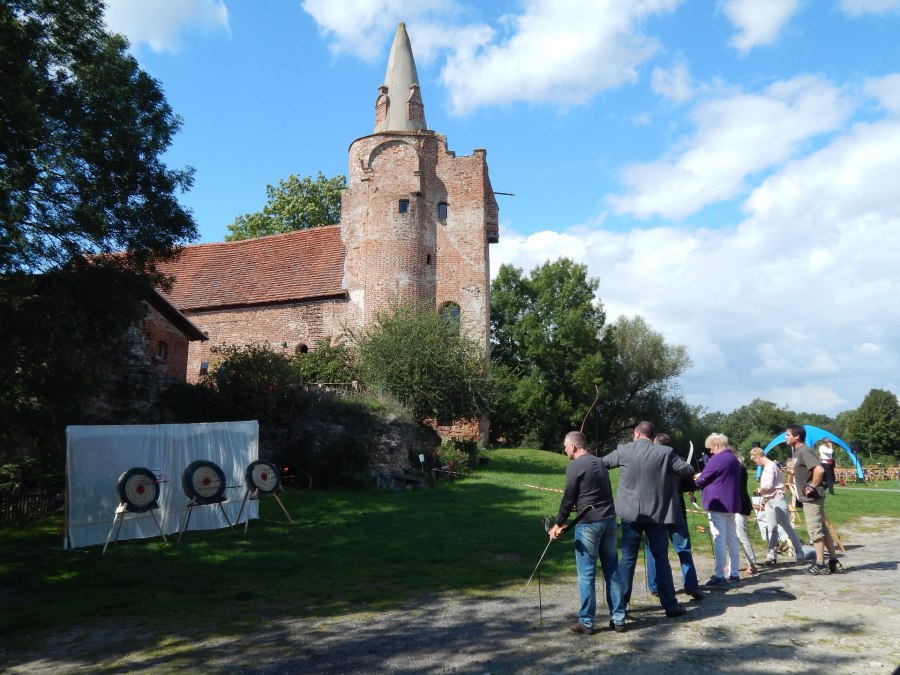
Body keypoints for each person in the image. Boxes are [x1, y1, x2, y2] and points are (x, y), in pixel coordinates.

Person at [602, 421, 694, 629]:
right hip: (658, 515)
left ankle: (620, 607)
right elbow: (687, 469)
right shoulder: (665, 453)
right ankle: (670, 605)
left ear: (636, 434)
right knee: (661, 558)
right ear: (653, 437)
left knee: (627, 559)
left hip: (631, 515)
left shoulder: (624, 451)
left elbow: (601, 464)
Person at [547, 431, 623, 635]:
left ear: (573, 446)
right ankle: (619, 619)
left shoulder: (575, 465)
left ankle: (587, 623)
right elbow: (598, 492)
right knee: (612, 570)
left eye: (565, 445)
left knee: (586, 575)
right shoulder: (599, 463)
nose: (564, 449)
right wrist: (579, 505)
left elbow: (568, 497)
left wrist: (558, 524)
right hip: (608, 520)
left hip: (590, 524)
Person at [644, 433, 704, 602]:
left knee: (653, 549)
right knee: (683, 548)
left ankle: (656, 586)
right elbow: (690, 484)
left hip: (656, 510)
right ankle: (691, 585)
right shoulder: (680, 461)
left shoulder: (650, 460)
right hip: (676, 508)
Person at [785, 424, 842, 574]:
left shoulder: (805, 451)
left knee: (815, 531)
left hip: (812, 498)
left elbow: (820, 469)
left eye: (788, 435)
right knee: (822, 529)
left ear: (796, 436)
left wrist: (811, 487)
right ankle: (833, 560)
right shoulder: (798, 452)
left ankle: (820, 564)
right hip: (810, 498)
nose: (786, 437)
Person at [694, 433, 742, 585]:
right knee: (731, 538)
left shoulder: (718, 458)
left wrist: (695, 480)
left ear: (716, 444)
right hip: (732, 502)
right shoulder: (733, 458)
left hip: (718, 503)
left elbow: (704, 477)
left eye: (711, 448)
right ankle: (734, 572)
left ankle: (719, 574)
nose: (710, 452)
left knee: (719, 537)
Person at [749, 445, 805, 565]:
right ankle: (771, 555)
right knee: (772, 528)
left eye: (754, 460)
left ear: (758, 457)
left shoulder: (770, 467)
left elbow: (768, 486)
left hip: (778, 500)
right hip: (769, 500)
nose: (756, 464)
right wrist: (764, 498)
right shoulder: (767, 467)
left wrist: (759, 490)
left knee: (787, 527)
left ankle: (800, 554)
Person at [729, 447, 758, 576]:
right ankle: (732, 564)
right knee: (731, 537)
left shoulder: (739, 468)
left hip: (741, 504)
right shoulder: (734, 467)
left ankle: (752, 564)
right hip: (733, 504)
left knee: (741, 535)